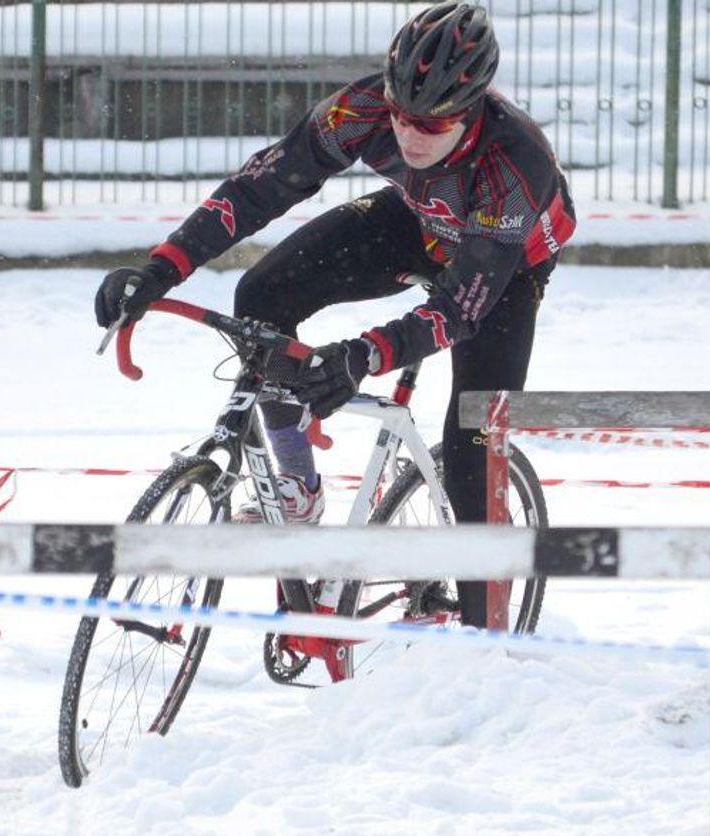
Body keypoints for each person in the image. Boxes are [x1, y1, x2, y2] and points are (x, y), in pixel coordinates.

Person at [95, 2, 575, 625]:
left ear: (471, 112)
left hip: (505, 264)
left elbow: (461, 307)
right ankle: (294, 491)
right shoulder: (364, 107)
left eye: (430, 127)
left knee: (472, 449)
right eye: (401, 116)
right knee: (263, 297)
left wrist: (364, 354)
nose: (407, 135)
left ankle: (488, 647)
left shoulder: (515, 162)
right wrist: (160, 268)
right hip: (422, 216)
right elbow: (260, 186)